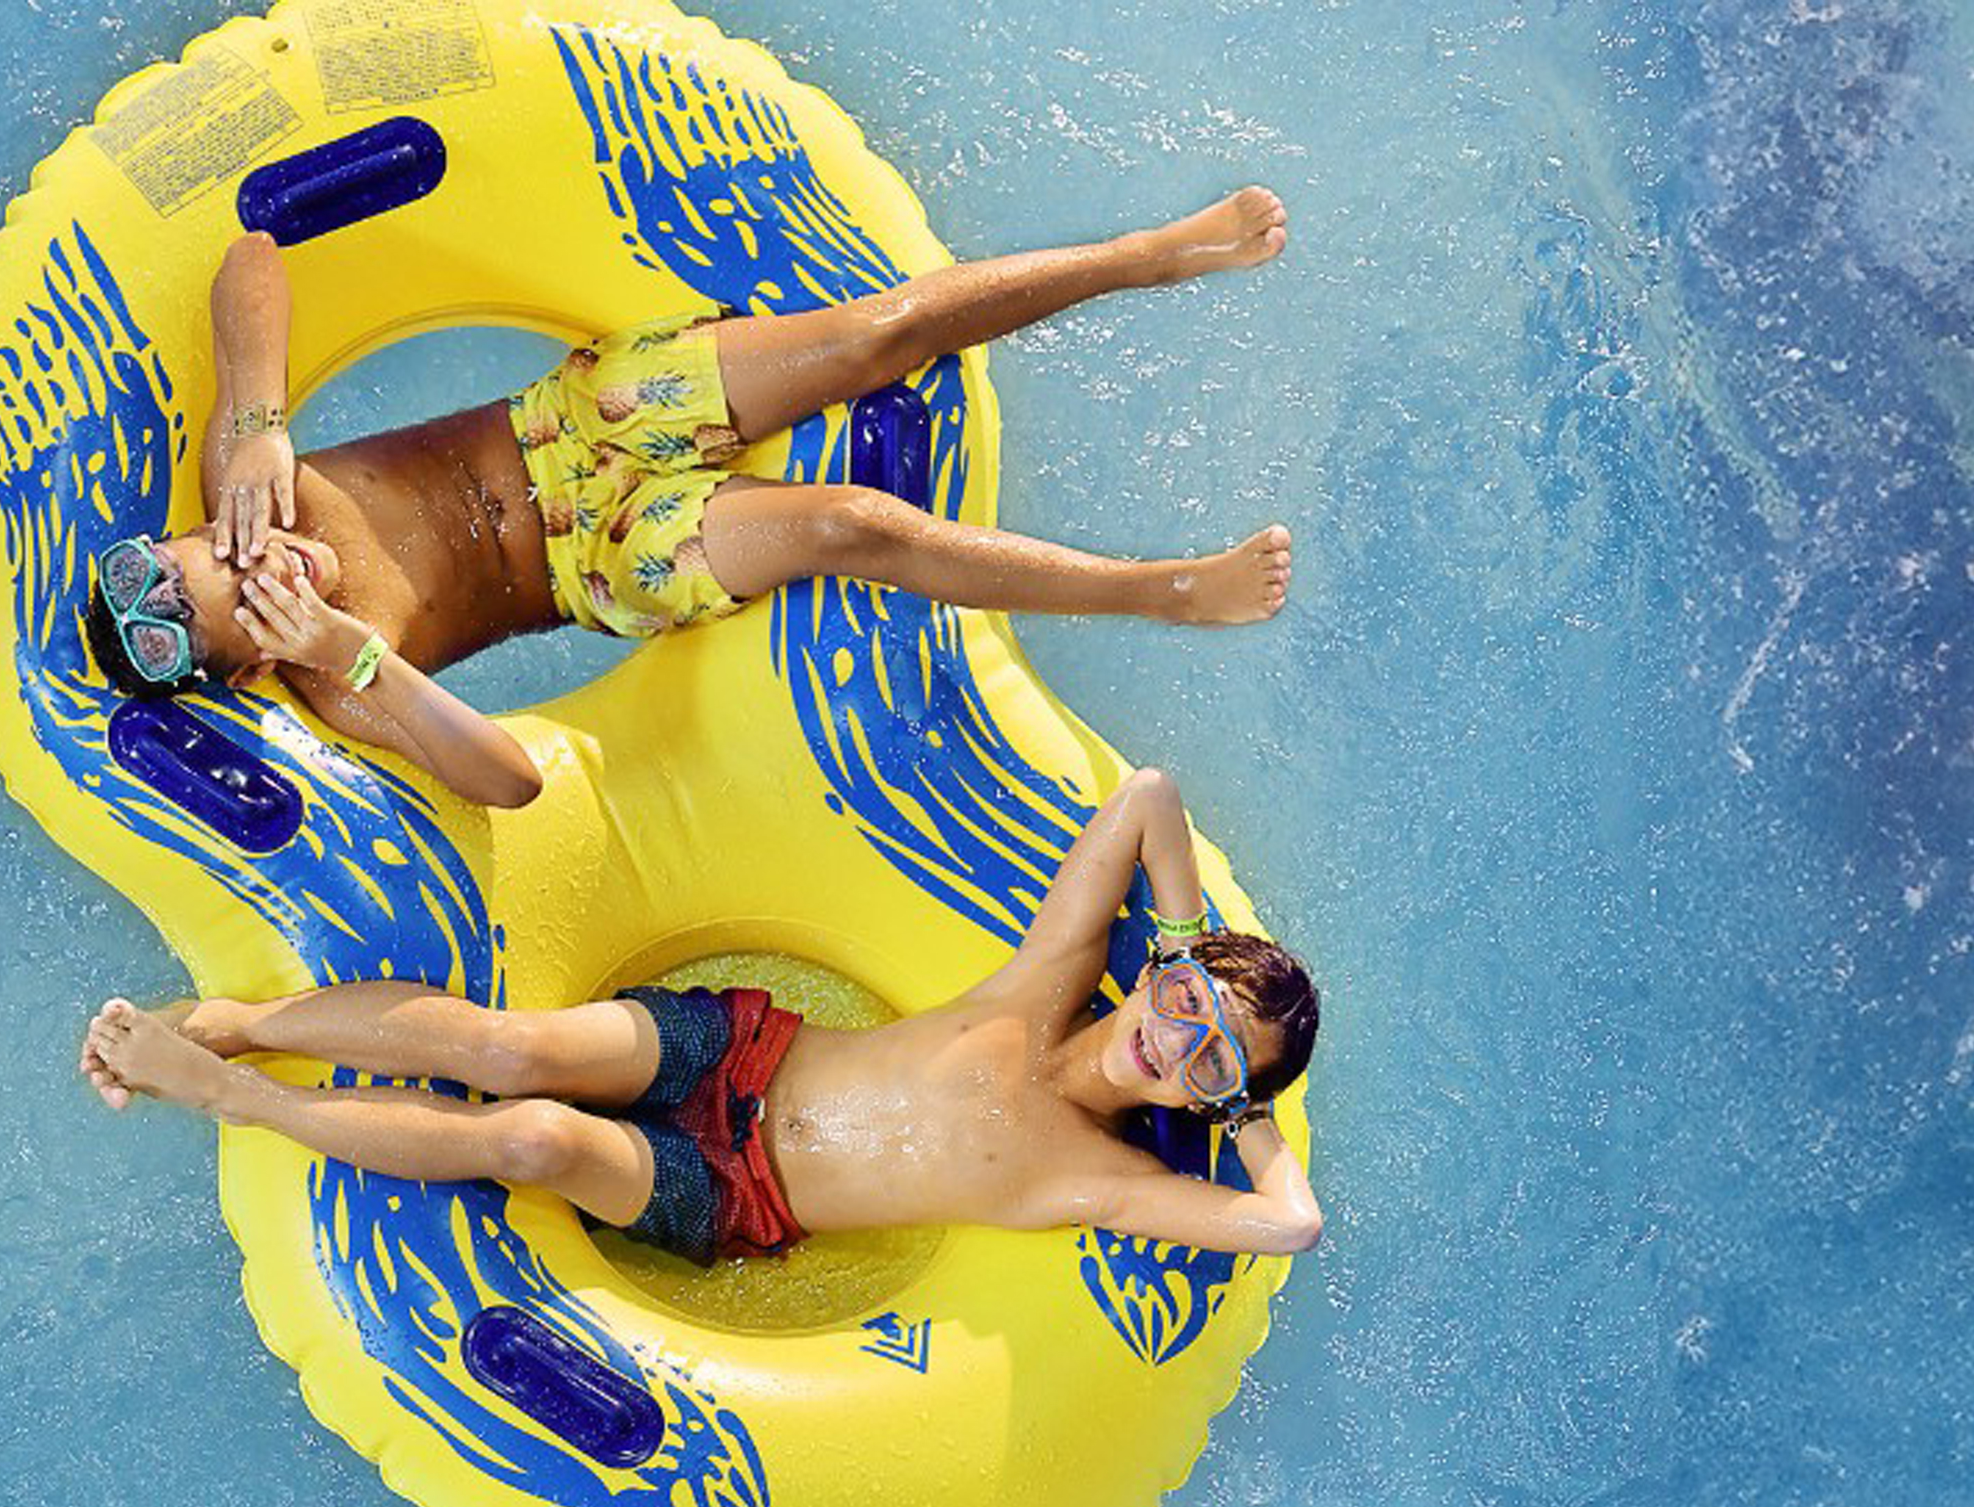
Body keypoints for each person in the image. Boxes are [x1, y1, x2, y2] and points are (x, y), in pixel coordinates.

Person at [87, 188, 1299, 808]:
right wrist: (359, 656)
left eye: (223, 553)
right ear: (249, 668)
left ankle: (1155, 252)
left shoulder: (244, 483)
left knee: (889, 332)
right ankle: (1162, 591)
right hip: (607, 561)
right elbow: (509, 780)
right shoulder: (331, 683)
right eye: (246, 606)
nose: (263, 569)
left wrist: (256, 422)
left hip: (571, 420)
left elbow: (252, 257)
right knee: (851, 529)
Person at [79, 766, 1322, 1261]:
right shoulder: (1045, 987)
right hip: (744, 1048)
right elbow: (1150, 797)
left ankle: (241, 1096)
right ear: (1164, 969)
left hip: (739, 1196)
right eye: (1184, 999)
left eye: (1208, 1052)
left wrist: (1242, 1107)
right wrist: (1179, 935)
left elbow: (1291, 1224)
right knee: (515, 1050)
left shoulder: (1090, 1176)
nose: (1176, 1031)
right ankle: (251, 1019)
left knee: (535, 1140)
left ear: (1208, 1088)